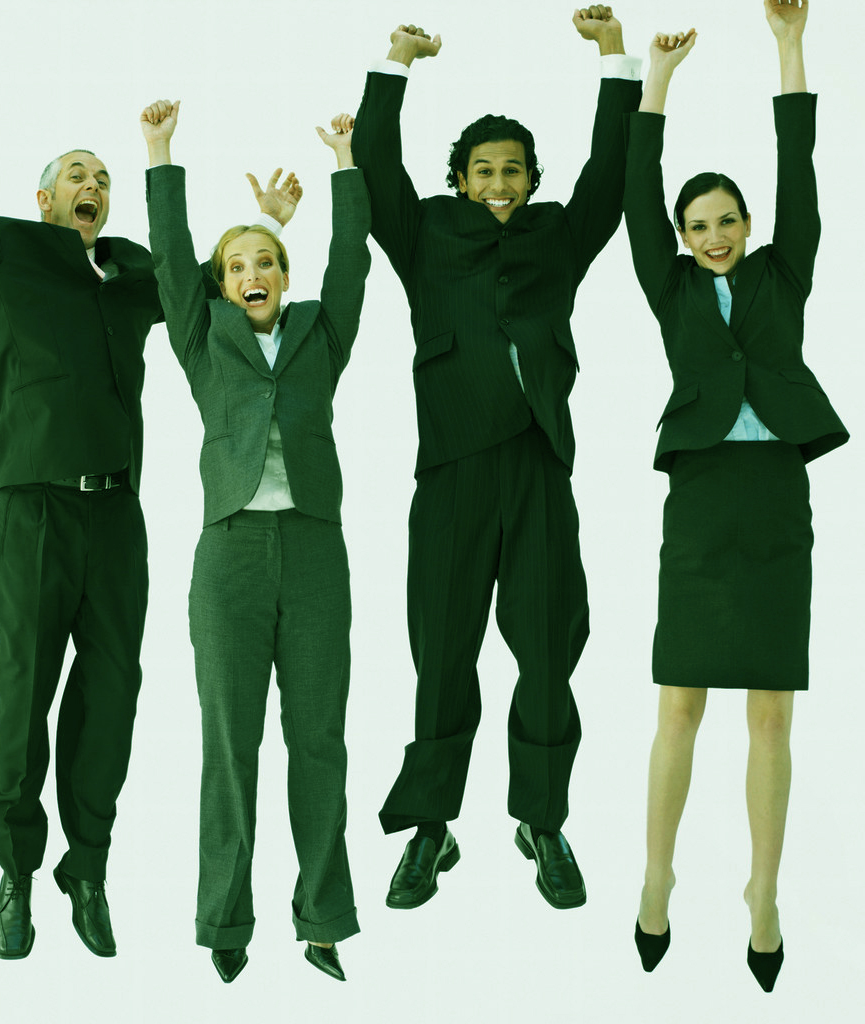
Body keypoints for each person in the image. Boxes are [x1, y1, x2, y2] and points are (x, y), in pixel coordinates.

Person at [0, 21, 299, 961]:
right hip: (30, 510)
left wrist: (272, 230)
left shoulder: (134, 275)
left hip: (119, 518)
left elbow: (212, 292)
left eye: (102, 178)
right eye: (77, 172)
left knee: (112, 690)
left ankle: (90, 865)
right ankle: (17, 872)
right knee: (26, 689)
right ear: (43, 196)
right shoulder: (0, 255)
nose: (92, 186)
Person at [350, 10, 641, 911]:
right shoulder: (426, 235)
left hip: (539, 464)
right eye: (484, 171)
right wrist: (394, 65)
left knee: (549, 645)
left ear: (529, 178)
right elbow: (375, 168)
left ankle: (541, 818)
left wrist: (613, 62)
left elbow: (610, 178)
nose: (501, 182)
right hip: (451, 474)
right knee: (443, 652)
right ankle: (432, 828)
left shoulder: (559, 236)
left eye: (514, 169)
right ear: (462, 181)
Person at [623, 0, 847, 993]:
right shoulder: (668, 284)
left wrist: (789, 49)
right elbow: (635, 197)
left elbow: (797, 171)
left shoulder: (780, 270)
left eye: (726, 223)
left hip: (773, 500)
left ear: (748, 228)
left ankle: (762, 892)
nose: (712, 236)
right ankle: (657, 876)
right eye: (697, 226)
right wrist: (656, 84)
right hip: (699, 500)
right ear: (681, 235)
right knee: (678, 704)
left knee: (769, 717)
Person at [141, 99, 370, 983]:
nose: (253, 271)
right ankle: (224, 921)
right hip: (229, 553)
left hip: (315, 551)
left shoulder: (322, 332)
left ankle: (323, 919)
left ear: (284, 270)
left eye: (266, 260)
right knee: (230, 743)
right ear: (223, 284)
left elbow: (350, 264)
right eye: (236, 265)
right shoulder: (204, 342)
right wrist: (160, 154)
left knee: (318, 740)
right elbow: (171, 267)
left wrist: (346, 166)